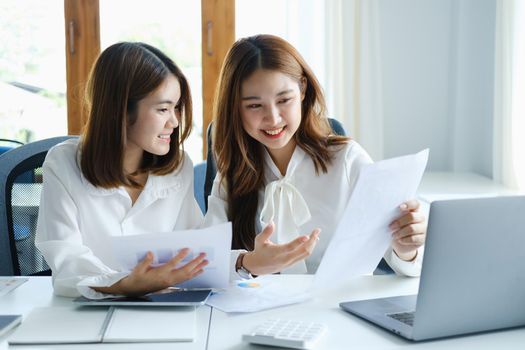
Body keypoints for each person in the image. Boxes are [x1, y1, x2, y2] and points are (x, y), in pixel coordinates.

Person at [204, 34, 426, 278]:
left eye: (284, 100)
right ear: (235, 108)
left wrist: (406, 249)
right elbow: (206, 260)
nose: (274, 118)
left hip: (337, 306)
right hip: (262, 310)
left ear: (302, 90)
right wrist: (248, 262)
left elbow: (404, 264)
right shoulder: (232, 172)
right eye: (255, 106)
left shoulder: (347, 159)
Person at [36, 42, 208, 298]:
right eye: (162, 109)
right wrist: (123, 285)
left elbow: (195, 249)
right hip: (87, 314)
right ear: (120, 110)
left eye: (176, 107)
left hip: (163, 310)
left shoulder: (178, 166)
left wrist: (243, 262)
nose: (174, 122)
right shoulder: (63, 164)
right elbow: (67, 261)